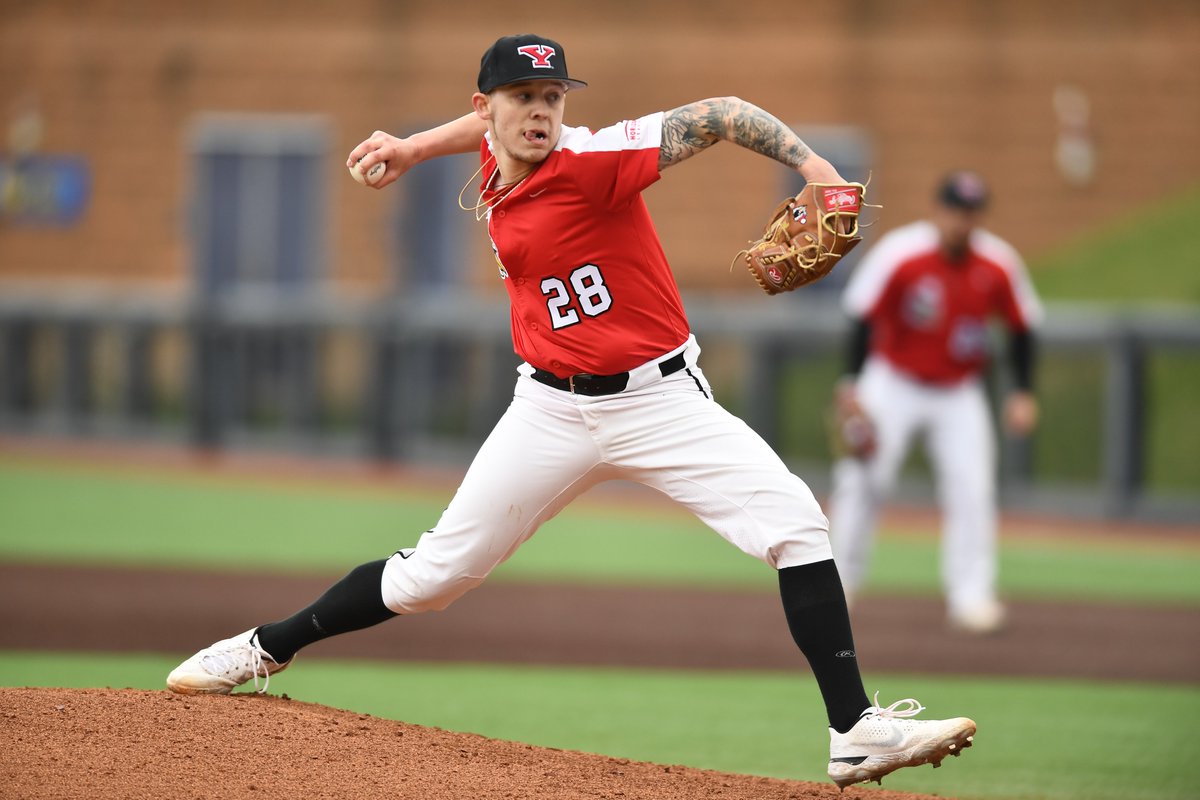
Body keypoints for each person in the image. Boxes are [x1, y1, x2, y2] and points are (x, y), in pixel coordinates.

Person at [166, 34, 977, 789]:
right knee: (431, 579)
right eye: (521, 96)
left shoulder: (594, 158)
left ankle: (855, 730)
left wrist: (812, 165)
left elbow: (724, 114)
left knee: (796, 523)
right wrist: (413, 148)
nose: (541, 111)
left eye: (551, 95)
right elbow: (480, 132)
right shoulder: (495, 146)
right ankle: (262, 648)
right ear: (488, 105)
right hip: (548, 409)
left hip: (660, 400)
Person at [827, 170, 1043, 634]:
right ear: (937, 210)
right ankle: (838, 587)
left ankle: (971, 597)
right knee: (862, 480)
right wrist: (852, 385)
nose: (961, 221)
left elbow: (1023, 326)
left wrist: (1023, 390)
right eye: (954, 210)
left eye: (970, 213)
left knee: (973, 490)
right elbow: (860, 315)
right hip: (893, 381)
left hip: (958, 391)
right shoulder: (903, 253)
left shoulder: (998, 262)